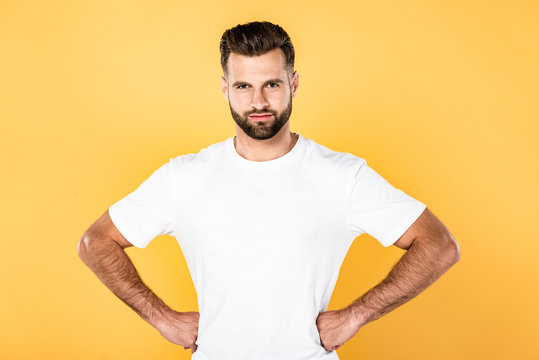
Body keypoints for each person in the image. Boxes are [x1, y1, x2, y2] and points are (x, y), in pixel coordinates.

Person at [78, 21, 460, 360]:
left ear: (293, 84)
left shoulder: (342, 176)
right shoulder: (185, 178)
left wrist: (357, 314)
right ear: (225, 89)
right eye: (244, 86)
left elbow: (439, 245)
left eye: (271, 84)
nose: (258, 102)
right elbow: (96, 242)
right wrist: (160, 317)